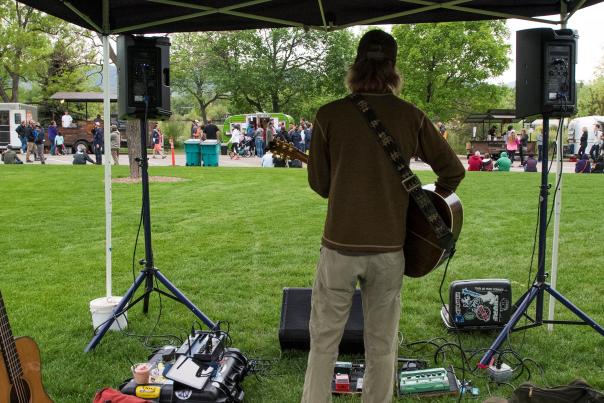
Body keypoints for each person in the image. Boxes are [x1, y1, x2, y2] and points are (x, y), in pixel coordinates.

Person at [302, 30, 465, 403]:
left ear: (356, 66)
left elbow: (321, 186)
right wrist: (425, 206)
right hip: (390, 248)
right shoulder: (411, 116)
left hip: (340, 247)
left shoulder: (329, 115)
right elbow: (453, 170)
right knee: (382, 344)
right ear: (393, 68)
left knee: (324, 341)